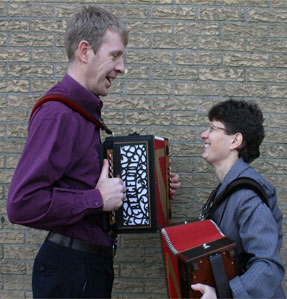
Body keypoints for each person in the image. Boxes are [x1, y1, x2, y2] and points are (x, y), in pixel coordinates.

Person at [6, 6, 180, 299]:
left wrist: (152, 187)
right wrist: (97, 199)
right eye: (115, 55)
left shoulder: (82, 114)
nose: (122, 67)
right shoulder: (58, 115)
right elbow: (22, 204)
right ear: (85, 51)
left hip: (85, 268)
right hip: (72, 271)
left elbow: (81, 182)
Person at [191, 99, 285, 298]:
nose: (204, 135)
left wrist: (224, 295)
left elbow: (268, 266)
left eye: (213, 128)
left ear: (235, 141)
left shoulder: (247, 196)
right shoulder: (227, 189)